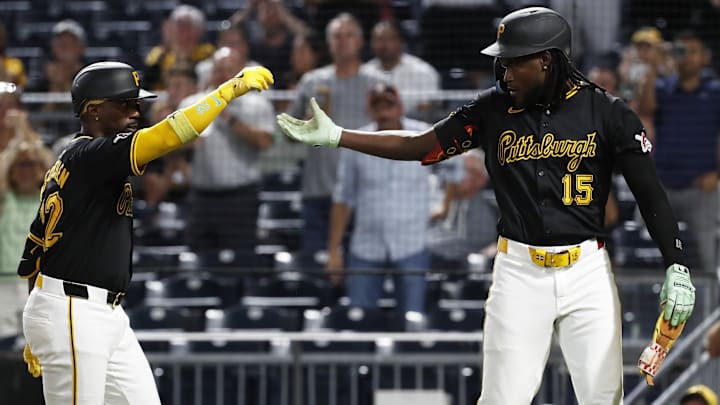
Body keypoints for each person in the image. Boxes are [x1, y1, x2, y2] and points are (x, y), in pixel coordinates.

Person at [277, 7, 696, 404]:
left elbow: (649, 193)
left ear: (547, 61)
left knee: (603, 398)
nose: (505, 70)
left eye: (515, 62)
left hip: (586, 271)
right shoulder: (493, 108)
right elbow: (423, 145)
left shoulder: (608, 113)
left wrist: (675, 263)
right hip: (518, 270)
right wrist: (340, 136)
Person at [17, 60, 273, 404]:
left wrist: (33, 319)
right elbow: (171, 133)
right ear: (93, 110)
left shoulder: (82, 162)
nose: (136, 110)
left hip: (98, 311)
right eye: (125, 103)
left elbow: (36, 247)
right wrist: (228, 91)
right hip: (73, 310)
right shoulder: (91, 155)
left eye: (137, 102)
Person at [327, 83, 462, 313]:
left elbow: (455, 167)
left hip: (411, 242)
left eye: (389, 105)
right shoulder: (356, 142)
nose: (384, 112)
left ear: (399, 107)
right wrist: (333, 250)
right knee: (359, 318)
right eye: (377, 106)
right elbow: (343, 198)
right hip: (366, 245)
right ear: (369, 110)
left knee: (411, 318)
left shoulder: (423, 135)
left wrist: (445, 205)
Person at [286, 12, 384, 268]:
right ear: (329, 43)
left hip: (363, 191)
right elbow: (288, 135)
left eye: (348, 35)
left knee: (360, 266)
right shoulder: (311, 82)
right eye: (336, 36)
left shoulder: (377, 84)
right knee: (316, 268)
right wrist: (305, 127)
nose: (342, 42)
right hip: (318, 190)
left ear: (360, 42)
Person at [636, 30, 720, 274]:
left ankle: (712, 307)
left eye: (693, 52)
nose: (687, 58)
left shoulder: (715, 92)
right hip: (663, 184)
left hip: (701, 188)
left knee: (707, 256)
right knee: (646, 243)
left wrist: (717, 174)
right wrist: (653, 66)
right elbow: (644, 107)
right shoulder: (664, 87)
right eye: (682, 52)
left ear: (704, 57)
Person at [182, 47, 275, 261]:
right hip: (201, 198)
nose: (223, 76)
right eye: (218, 70)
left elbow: (265, 142)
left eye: (229, 70)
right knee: (198, 261)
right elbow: (172, 147)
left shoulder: (257, 104)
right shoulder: (192, 104)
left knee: (241, 263)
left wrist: (229, 118)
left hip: (240, 199)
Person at [363, 21, 441, 121]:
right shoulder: (364, 73)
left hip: (415, 131)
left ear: (401, 42)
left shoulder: (423, 71)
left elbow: (429, 108)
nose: (384, 44)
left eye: (389, 39)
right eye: (378, 39)